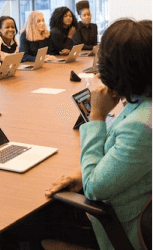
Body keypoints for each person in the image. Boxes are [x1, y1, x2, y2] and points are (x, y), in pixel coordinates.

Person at [44, 19, 152, 250]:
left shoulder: (140, 126)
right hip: (128, 201)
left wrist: (97, 116)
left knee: (30, 224)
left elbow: (93, 187)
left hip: (122, 227)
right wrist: (82, 173)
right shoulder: (144, 105)